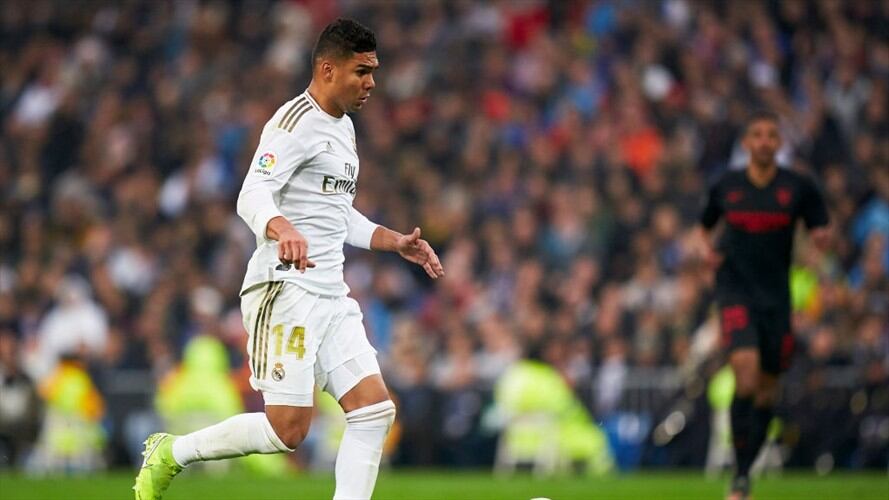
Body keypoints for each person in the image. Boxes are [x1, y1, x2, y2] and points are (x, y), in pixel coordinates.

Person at [134, 18, 444, 500]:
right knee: (288, 431)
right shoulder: (293, 122)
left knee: (374, 411)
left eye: (374, 71)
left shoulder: (344, 130)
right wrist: (281, 228)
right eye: (361, 71)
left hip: (330, 294)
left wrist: (394, 241)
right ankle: (171, 453)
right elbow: (251, 193)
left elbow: (336, 214)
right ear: (327, 69)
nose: (371, 82)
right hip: (285, 290)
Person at [693, 110, 830, 499]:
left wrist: (819, 246)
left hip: (776, 298)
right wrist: (705, 253)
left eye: (772, 135)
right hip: (735, 291)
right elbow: (703, 228)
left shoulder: (798, 187)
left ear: (779, 144)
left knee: (767, 390)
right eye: (758, 135)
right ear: (746, 144)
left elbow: (820, 228)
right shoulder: (726, 185)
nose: (766, 141)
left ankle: (743, 470)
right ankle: (739, 477)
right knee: (747, 374)